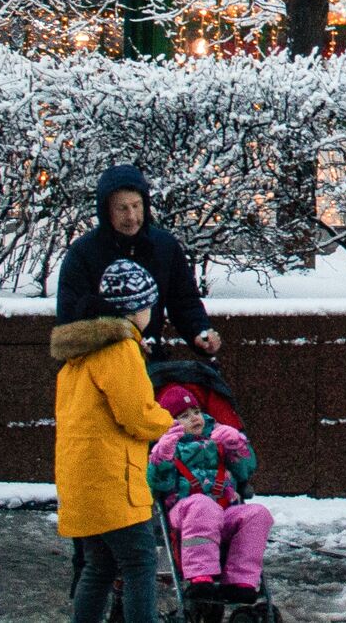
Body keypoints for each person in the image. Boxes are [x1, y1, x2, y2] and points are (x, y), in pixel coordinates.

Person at [51, 259, 175, 623]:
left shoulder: (80, 355)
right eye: (149, 305)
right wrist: (167, 422)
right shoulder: (119, 350)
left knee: (99, 566)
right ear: (137, 309)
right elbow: (137, 414)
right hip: (113, 481)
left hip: (83, 479)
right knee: (139, 562)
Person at [57, 164, 221, 359]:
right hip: (100, 367)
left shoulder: (164, 247)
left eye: (136, 205)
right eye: (122, 208)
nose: (132, 216)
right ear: (106, 211)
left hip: (151, 365)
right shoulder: (82, 254)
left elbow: (184, 302)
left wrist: (199, 332)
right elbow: (70, 320)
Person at [148, 386, 274, 604]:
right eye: (184, 416)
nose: (194, 418)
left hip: (223, 510)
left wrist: (237, 446)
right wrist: (163, 456)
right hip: (186, 512)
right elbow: (159, 484)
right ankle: (200, 576)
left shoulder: (219, 437)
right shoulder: (169, 446)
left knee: (257, 514)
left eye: (196, 412)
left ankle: (241, 581)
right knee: (201, 505)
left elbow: (245, 471)